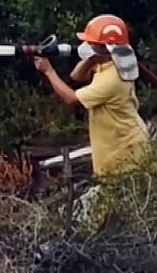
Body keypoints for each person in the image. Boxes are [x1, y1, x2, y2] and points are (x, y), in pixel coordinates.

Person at [33, 13, 149, 178]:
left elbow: (71, 98)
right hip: (114, 145)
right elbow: (77, 77)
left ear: (106, 48)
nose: (87, 45)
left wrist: (49, 71)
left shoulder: (112, 78)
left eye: (92, 43)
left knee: (124, 199)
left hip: (124, 152)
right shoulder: (113, 59)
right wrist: (91, 59)